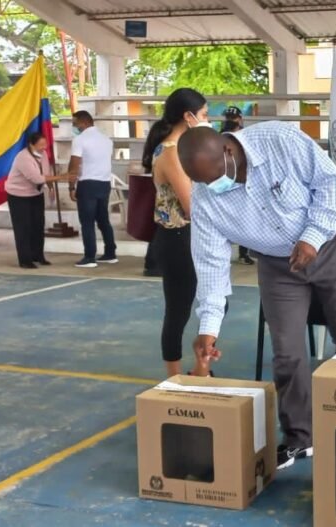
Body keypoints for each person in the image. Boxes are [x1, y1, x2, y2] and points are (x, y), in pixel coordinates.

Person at [178, 122, 336, 470]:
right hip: (277, 265)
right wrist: (208, 328)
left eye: (215, 176)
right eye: (202, 181)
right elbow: (211, 264)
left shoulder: (279, 140)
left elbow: (329, 184)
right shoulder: (205, 196)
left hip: (328, 244)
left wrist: (312, 237)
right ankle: (300, 438)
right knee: (286, 352)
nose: (212, 186)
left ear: (227, 150)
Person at [142, 88, 209, 378]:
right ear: (188, 116)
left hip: (192, 237)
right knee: (179, 310)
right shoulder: (170, 152)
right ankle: (174, 376)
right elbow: (191, 204)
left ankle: (200, 366)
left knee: (216, 303)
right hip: (177, 238)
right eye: (204, 115)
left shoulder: (184, 148)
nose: (208, 121)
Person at [5, 133, 68, 269]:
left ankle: (38, 255)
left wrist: (51, 187)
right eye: (40, 145)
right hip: (18, 195)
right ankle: (25, 259)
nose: (43, 147)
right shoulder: (23, 158)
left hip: (35, 193)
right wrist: (63, 177)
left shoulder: (43, 154)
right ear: (31, 144)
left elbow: (45, 174)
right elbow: (37, 179)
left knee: (38, 225)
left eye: (44, 145)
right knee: (23, 227)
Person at [67, 111, 118, 268]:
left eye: (75, 123)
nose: (74, 126)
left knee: (87, 222)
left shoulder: (80, 140)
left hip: (87, 183)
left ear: (83, 122)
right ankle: (110, 253)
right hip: (104, 183)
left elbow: (74, 164)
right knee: (103, 220)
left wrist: (71, 185)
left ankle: (90, 257)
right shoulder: (106, 140)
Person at [222, 111, 256, 266]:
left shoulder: (220, 138)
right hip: (233, 183)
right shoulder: (236, 138)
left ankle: (243, 252)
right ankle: (243, 253)